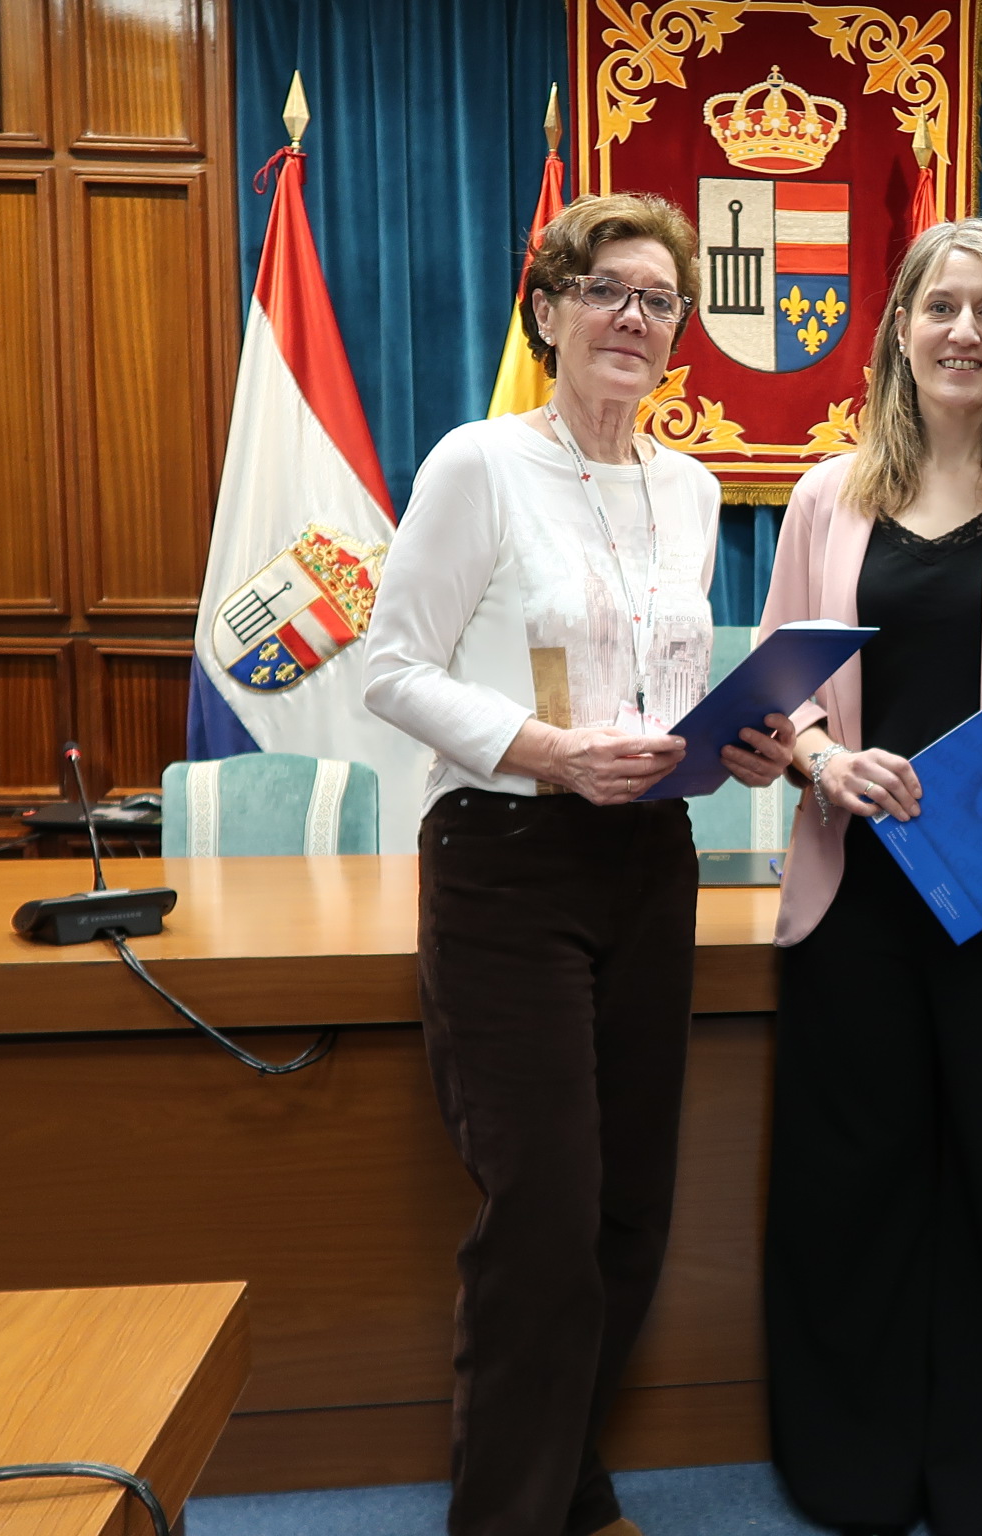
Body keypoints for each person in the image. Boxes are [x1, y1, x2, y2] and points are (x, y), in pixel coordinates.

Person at [363, 192, 797, 1536]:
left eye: (658, 298)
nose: (633, 316)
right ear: (548, 311)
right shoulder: (477, 463)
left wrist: (735, 742)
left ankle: (571, 1472)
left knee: (629, 1212)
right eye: (606, 288)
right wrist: (542, 750)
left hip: (651, 858)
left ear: (680, 331)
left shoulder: (692, 486)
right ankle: (506, 1513)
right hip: (506, 863)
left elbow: (664, 688)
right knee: (542, 1215)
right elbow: (386, 667)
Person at [755, 217, 982, 1536]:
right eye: (940, 308)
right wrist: (816, 759)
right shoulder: (825, 494)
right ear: (899, 331)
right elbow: (778, 690)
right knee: (850, 1181)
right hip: (853, 890)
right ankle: (851, 1468)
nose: (963, 332)